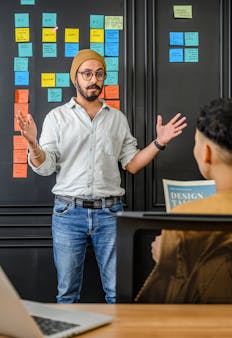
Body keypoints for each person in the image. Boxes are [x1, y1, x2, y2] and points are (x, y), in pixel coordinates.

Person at [17, 49, 187, 304]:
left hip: (110, 213)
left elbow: (131, 164)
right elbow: (46, 166)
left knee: (117, 293)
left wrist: (158, 143)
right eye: (87, 73)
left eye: (99, 74)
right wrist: (32, 144)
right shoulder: (57, 117)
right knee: (67, 294)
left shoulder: (117, 119)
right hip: (67, 212)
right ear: (75, 78)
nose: (93, 79)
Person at [136, 98, 232, 303]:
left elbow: (167, 298)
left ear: (206, 153)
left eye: (197, 142)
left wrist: (168, 258)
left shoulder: (184, 218)